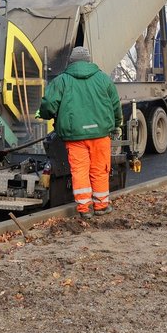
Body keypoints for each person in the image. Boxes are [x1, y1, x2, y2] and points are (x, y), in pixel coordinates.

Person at [37, 46, 123, 220]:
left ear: (71, 62)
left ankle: (84, 209)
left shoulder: (62, 81)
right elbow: (115, 105)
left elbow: (48, 104)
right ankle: (101, 205)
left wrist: (46, 115)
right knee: (100, 169)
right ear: (89, 61)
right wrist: (117, 124)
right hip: (100, 134)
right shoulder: (103, 79)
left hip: (74, 136)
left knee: (79, 171)